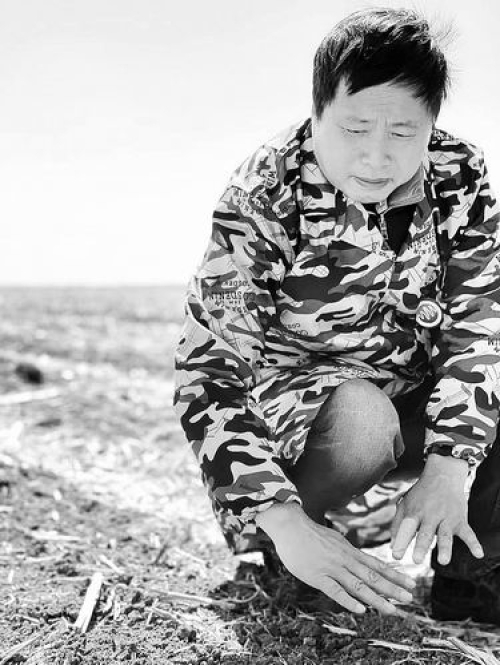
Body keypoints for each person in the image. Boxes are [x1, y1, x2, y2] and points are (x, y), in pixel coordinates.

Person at [174, 7, 500, 622]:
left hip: (416, 392)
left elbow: (478, 325)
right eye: (355, 128)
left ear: (432, 124)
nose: (377, 157)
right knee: (362, 422)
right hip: (304, 414)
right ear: (318, 111)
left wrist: (451, 463)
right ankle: (292, 546)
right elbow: (208, 375)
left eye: (403, 133)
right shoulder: (264, 192)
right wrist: (282, 519)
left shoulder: (459, 175)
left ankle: (472, 575)